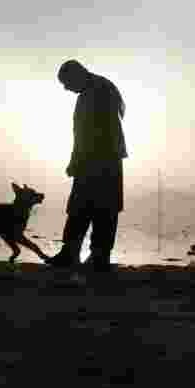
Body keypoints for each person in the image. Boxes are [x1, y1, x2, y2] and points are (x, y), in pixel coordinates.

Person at [45, 59, 127, 272]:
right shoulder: (99, 88)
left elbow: (87, 133)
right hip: (102, 159)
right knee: (96, 209)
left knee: (88, 209)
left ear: (76, 75)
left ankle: (84, 256)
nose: (66, 88)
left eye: (66, 82)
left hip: (99, 160)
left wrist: (76, 160)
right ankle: (90, 256)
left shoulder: (96, 91)